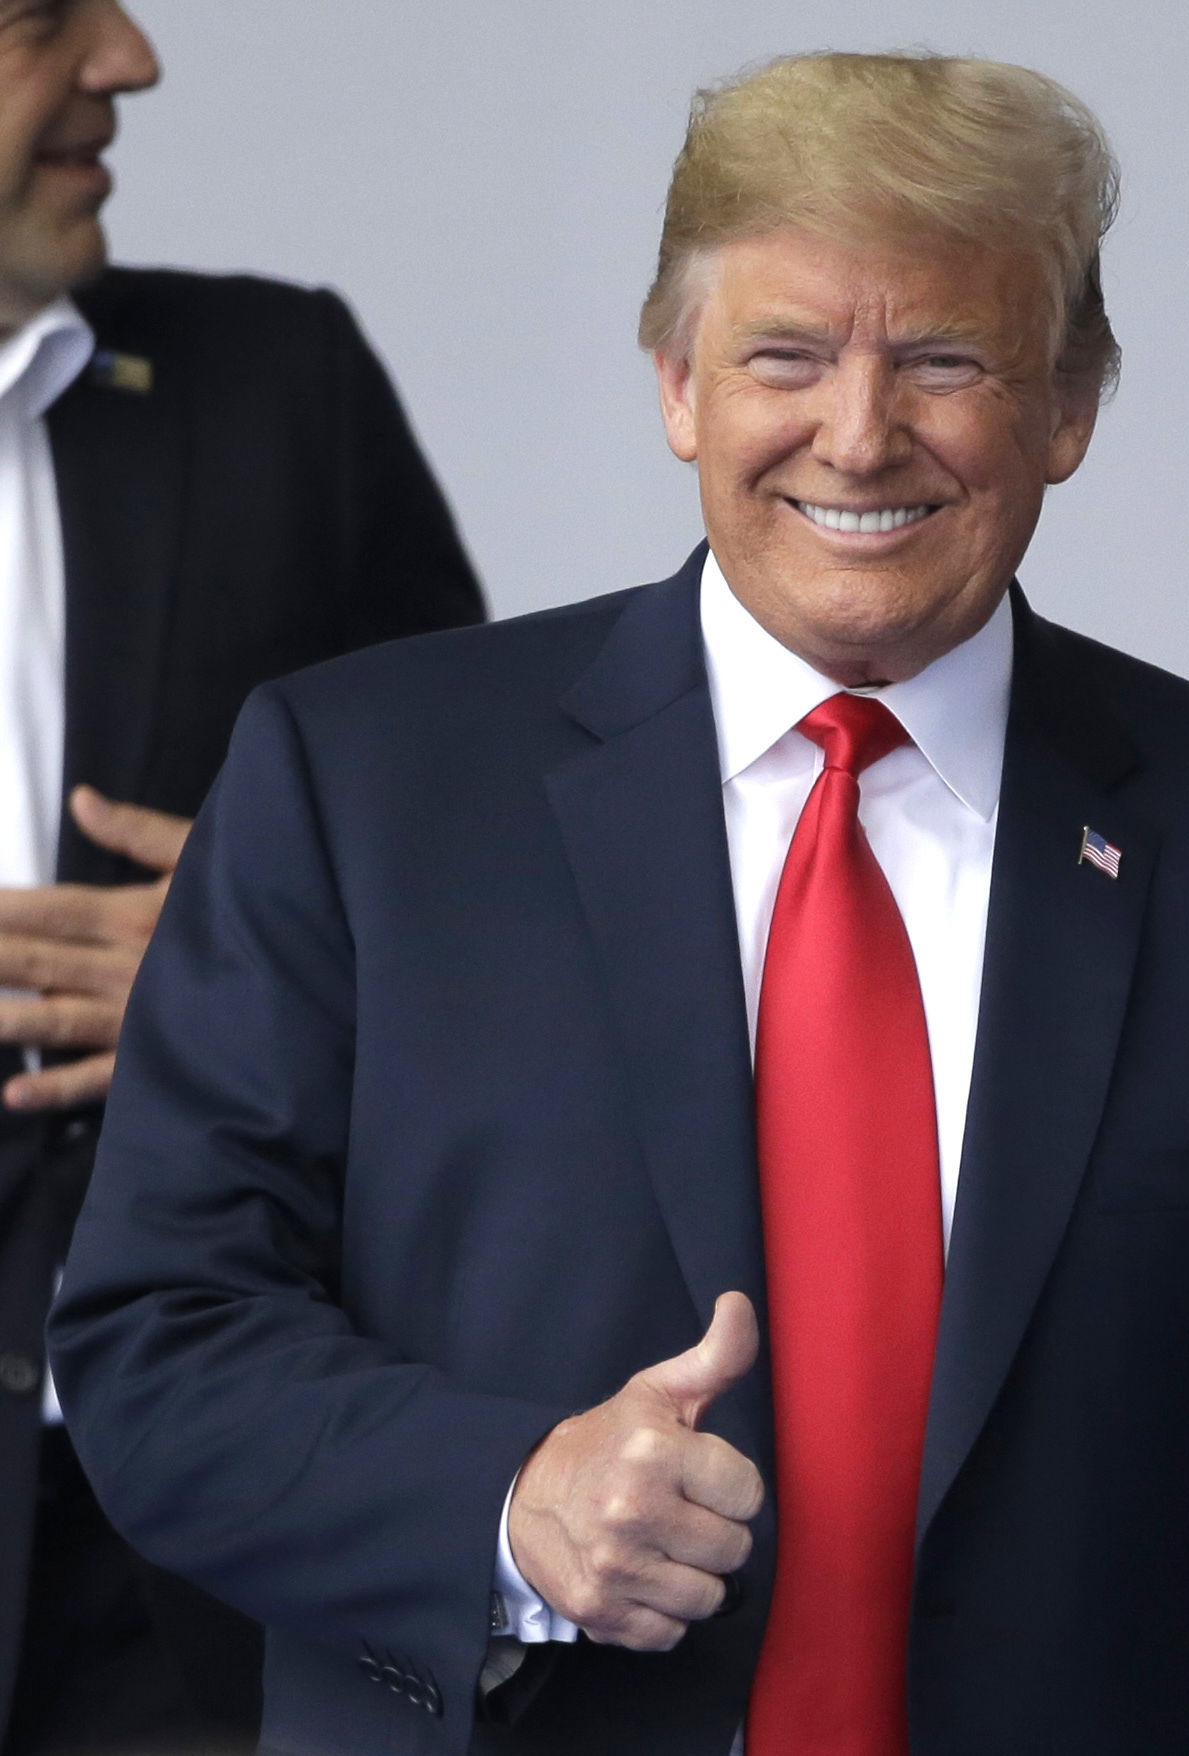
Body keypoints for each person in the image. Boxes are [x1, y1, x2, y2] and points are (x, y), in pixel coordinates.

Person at [52, 51, 1189, 1755]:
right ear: (678, 384)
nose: (860, 435)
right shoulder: (361, 785)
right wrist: (508, 1499)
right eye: (788, 355)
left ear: (1069, 405)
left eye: (945, 361)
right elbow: (157, 1341)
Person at [0, 1, 483, 1749]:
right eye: (41, 15)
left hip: (200, 1559)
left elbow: (524, 919)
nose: (129, 59)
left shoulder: (286, 388)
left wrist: (258, 976)